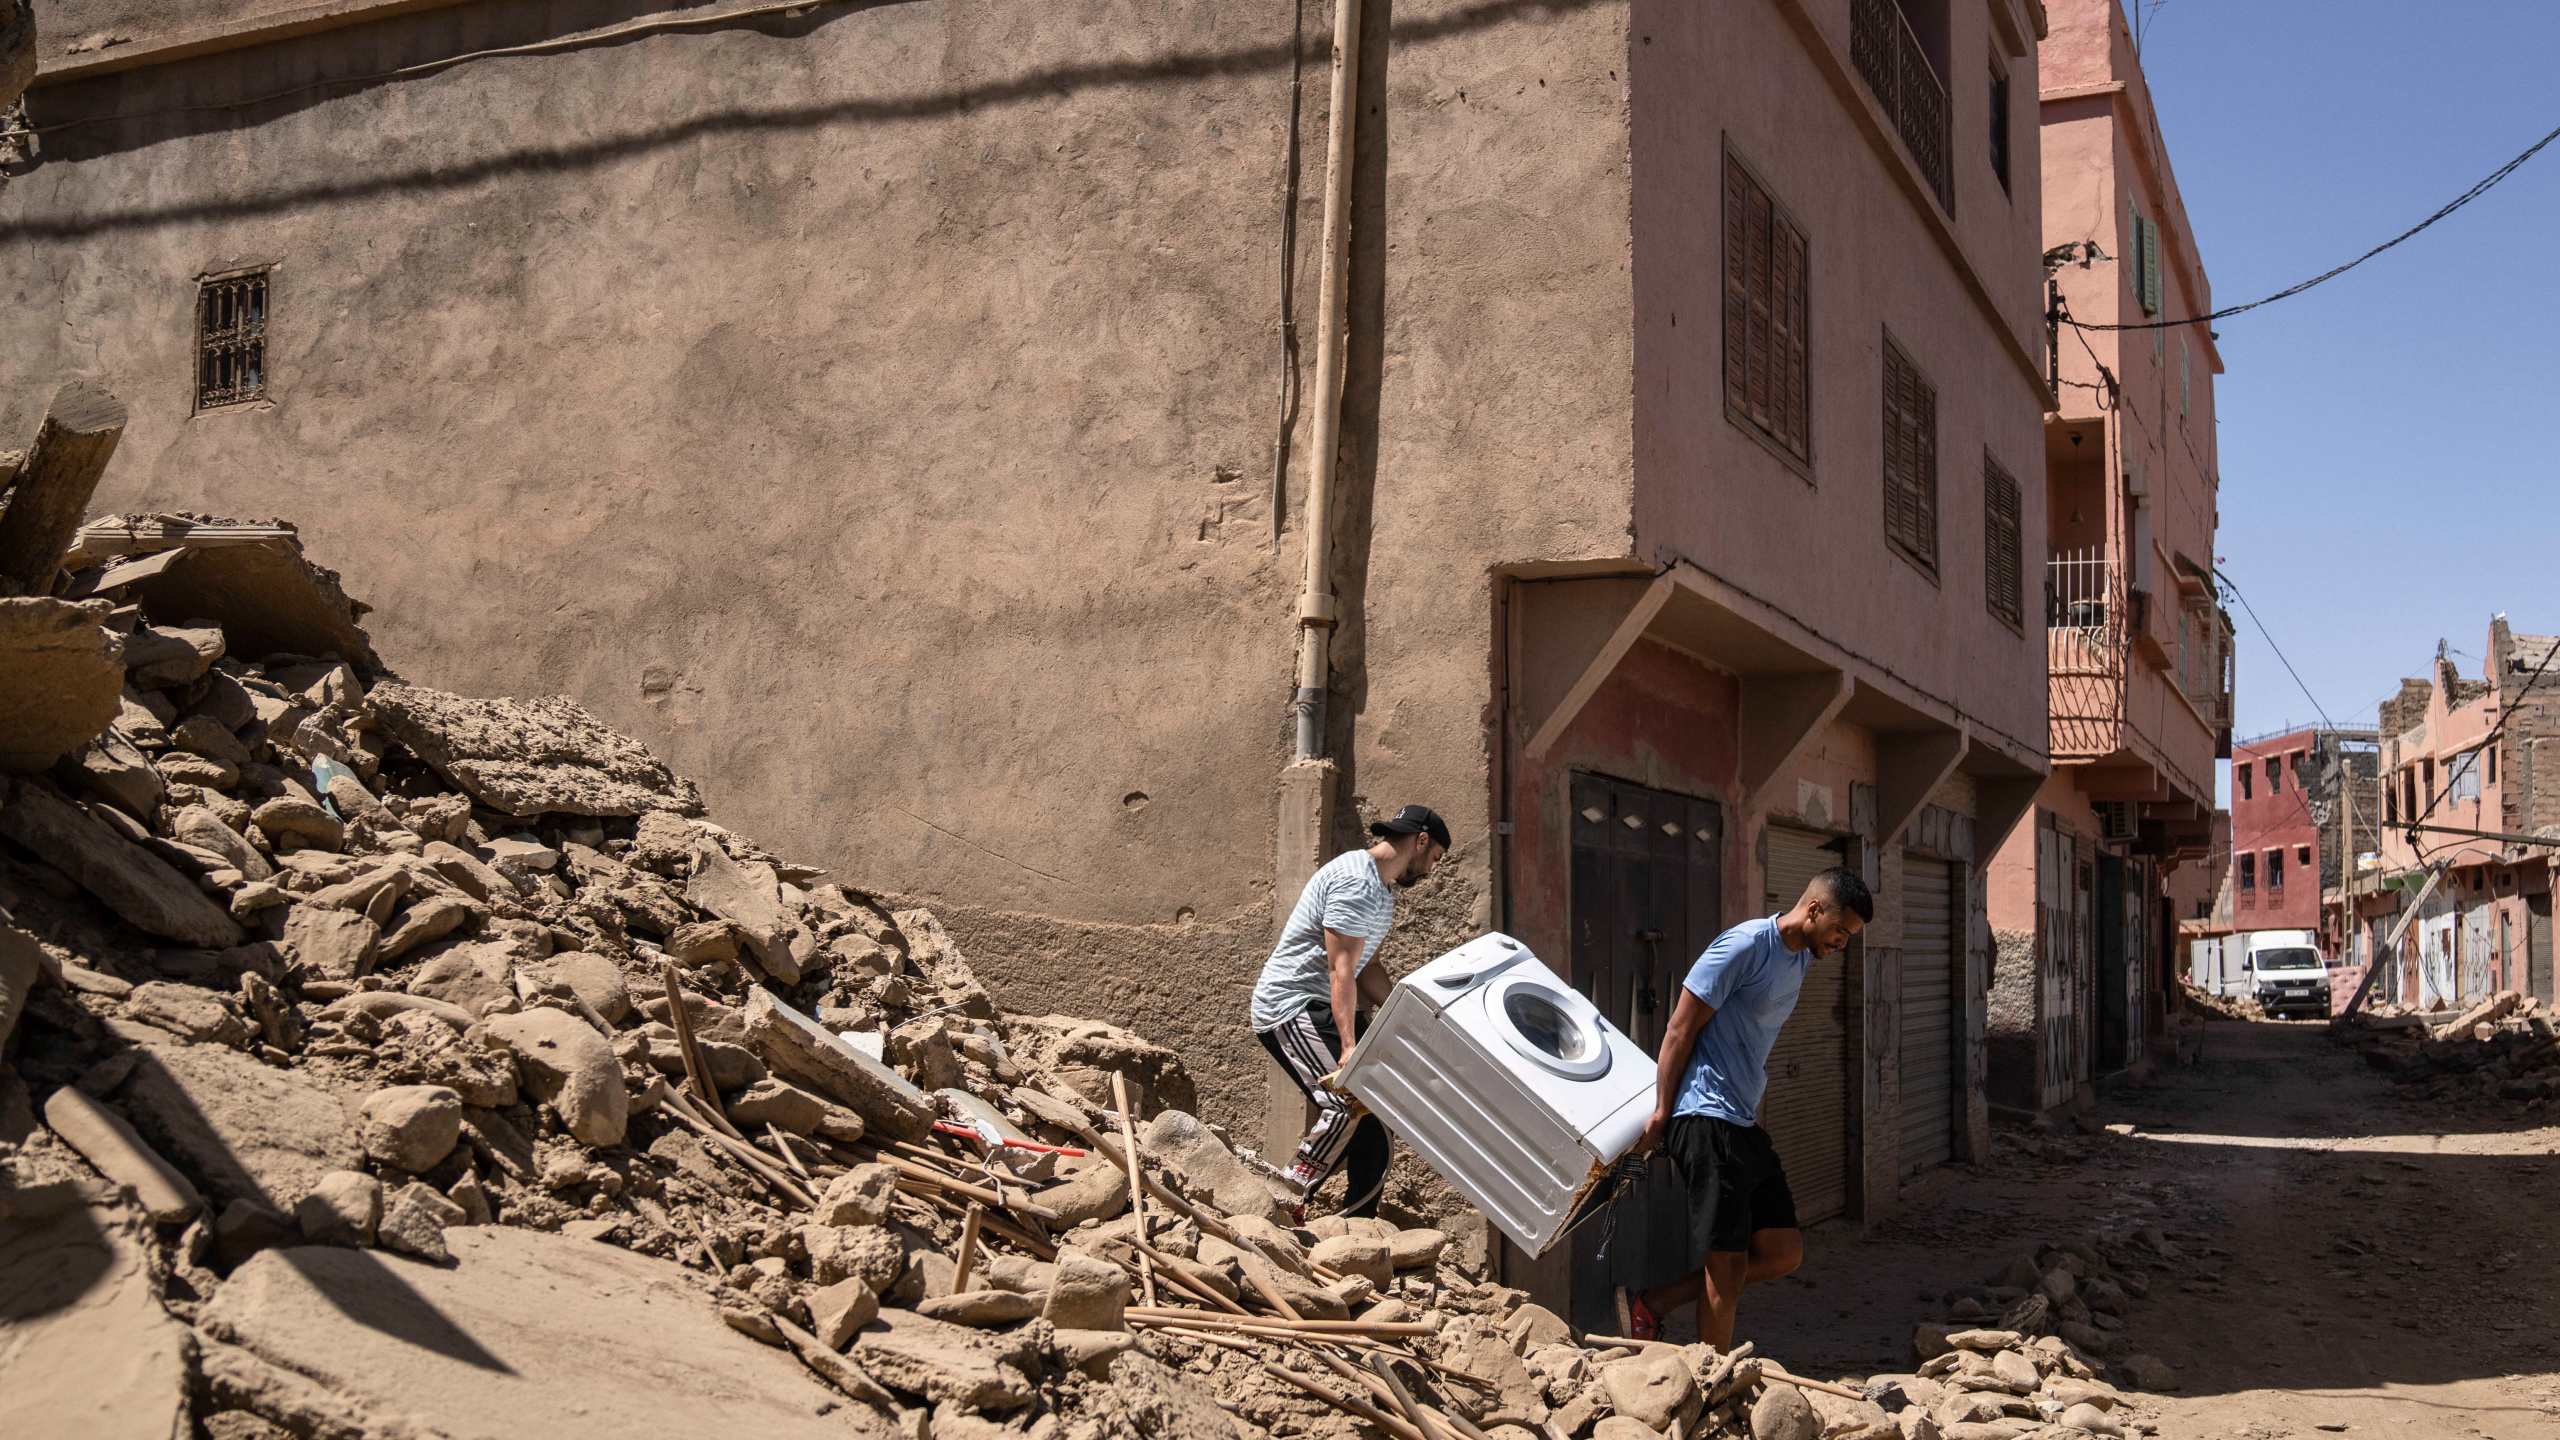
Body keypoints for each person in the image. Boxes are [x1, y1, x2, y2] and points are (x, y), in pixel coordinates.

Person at [1615, 865, 1872, 1346]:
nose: (1842, 944)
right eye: (1840, 930)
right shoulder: (1745, 946)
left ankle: (1653, 1302)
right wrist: (1661, 1111)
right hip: (1704, 1115)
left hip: (1740, 1120)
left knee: (1783, 1250)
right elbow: (1679, 1029)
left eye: (1849, 937)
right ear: (1814, 910)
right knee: (1726, 1266)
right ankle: (1713, 1384)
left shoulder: (1799, 959)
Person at [1250, 804, 1450, 1221]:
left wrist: (1406, 1012)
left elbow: (1366, 968)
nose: (1431, 871)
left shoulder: (1381, 891)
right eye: (1434, 859)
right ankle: (1284, 1195)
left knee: (1376, 1120)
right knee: (1346, 1103)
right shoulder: (1356, 882)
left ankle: (1358, 1228)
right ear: (1422, 841)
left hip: (1324, 1005)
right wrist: (1348, 1046)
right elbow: (1340, 970)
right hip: (1293, 1006)